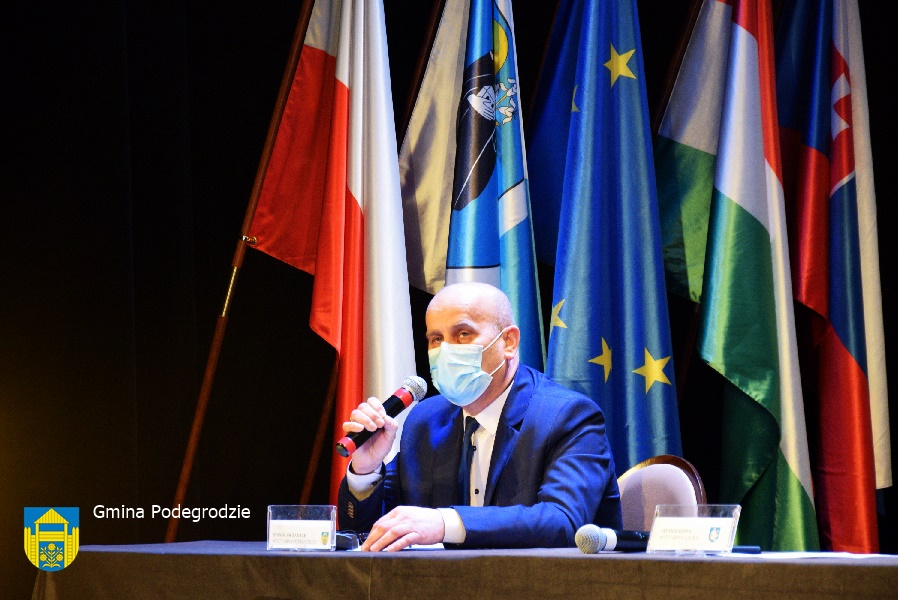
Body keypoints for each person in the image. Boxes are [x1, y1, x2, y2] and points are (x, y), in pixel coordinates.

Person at [338, 281, 622, 551]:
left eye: (463, 334)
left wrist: (445, 523)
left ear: (509, 342)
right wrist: (366, 470)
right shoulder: (426, 420)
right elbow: (371, 532)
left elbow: (564, 522)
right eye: (436, 339)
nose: (446, 350)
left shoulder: (568, 416)